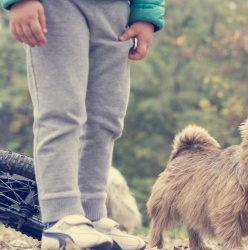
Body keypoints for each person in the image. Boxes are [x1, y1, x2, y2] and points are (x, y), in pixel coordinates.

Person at [1, 0, 164, 249]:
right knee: (61, 112)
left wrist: (146, 13)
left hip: (117, 11)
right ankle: (61, 219)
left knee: (106, 119)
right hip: (56, 6)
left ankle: (91, 216)